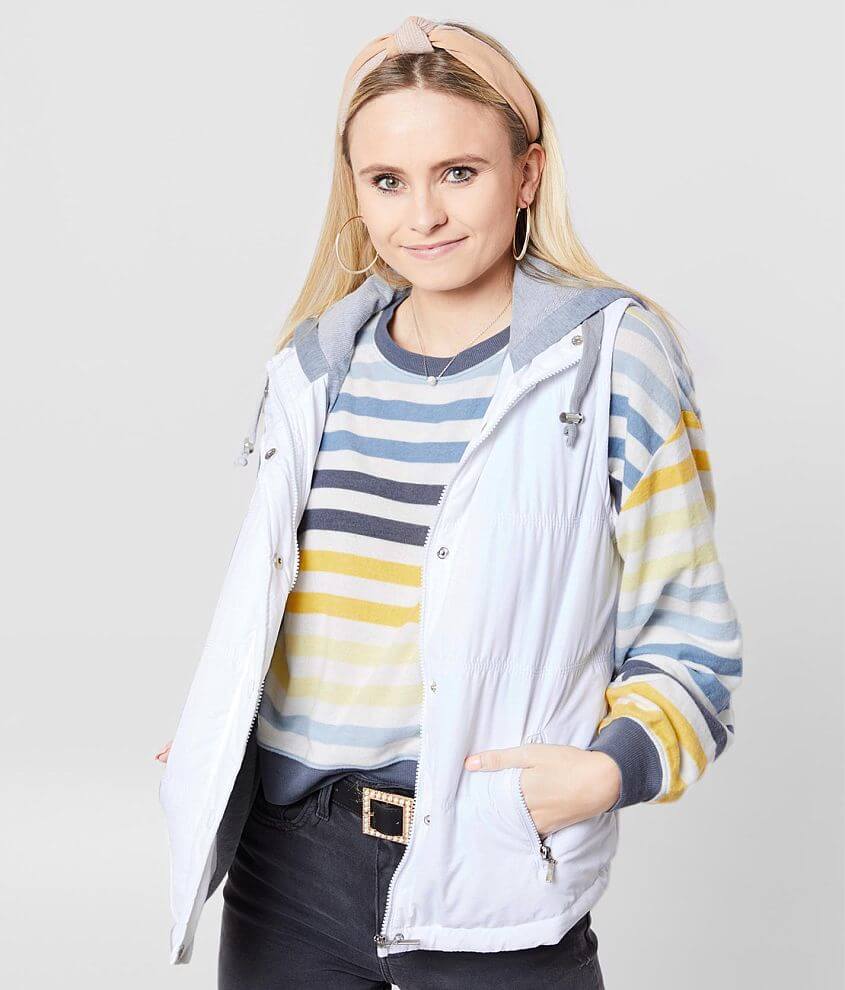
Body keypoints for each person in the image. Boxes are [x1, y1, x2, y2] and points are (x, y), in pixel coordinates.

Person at [155, 15, 743, 988]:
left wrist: (610, 769)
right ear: (354, 192)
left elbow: (689, 630)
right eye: (387, 181)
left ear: (526, 174)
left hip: (488, 862)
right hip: (285, 865)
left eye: (458, 173)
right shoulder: (314, 364)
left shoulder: (607, 358)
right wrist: (220, 730)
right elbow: (299, 603)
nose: (421, 214)